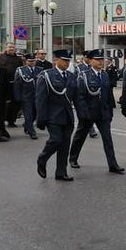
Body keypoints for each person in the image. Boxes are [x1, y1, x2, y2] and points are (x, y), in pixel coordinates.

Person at [69, 49, 125, 175]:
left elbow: (108, 95)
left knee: (108, 139)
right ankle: (73, 158)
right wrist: (83, 114)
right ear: (91, 61)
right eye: (97, 60)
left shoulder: (104, 75)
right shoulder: (84, 75)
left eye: (101, 59)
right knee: (80, 136)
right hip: (88, 113)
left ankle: (113, 164)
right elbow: (80, 97)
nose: (101, 62)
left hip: (103, 113)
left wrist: (110, 111)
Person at [36, 50, 77, 181]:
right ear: (56, 60)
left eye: (68, 61)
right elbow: (40, 99)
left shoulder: (71, 76)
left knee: (65, 145)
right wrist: (41, 119)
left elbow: (75, 97)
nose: (67, 63)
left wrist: (83, 114)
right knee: (56, 140)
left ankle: (61, 172)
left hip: (67, 115)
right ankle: (42, 158)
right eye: (64, 60)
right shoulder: (46, 75)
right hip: (52, 115)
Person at [13, 53, 42, 139]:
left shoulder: (40, 69)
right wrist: (17, 97)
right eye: (30, 61)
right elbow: (16, 84)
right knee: (28, 114)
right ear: (26, 61)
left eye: (34, 61)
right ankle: (32, 132)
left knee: (36, 114)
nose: (32, 62)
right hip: (26, 96)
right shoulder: (21, 70)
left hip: (37, 96)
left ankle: (27, 126)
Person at [0, 43, 23, 128]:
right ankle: (1, 120)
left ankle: (11, 121)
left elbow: (20, 71)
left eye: (12, 47)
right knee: (4, 103)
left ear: (15, 49)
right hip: (4, 84)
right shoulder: (0, 57)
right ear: (6, 48)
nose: (11, 48)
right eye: (9, 47)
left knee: (14, 104)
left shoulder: (18, 59)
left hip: (15, 84)